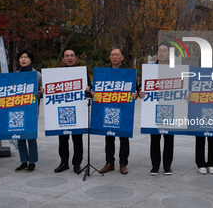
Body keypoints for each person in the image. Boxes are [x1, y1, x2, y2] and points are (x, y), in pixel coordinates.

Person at [97, 46, 138, 175]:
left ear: (122, 57)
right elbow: (98, 88)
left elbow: (135, 89)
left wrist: (135, 95)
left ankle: (123, 163)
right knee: (109, 136)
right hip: (109, 108)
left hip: (124, 109)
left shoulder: (129, 72)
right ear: (110, 57)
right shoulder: (104, 72)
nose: (115, 57)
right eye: (113, 55)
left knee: (123, 138)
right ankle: (109, 162)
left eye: (117, 54)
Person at [139, 42, 174, 176]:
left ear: (169, 53)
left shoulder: (175, 68)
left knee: (169, 138)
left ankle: (167, 166)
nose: (162, 53)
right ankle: (155, 165)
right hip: (153, 106)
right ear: (157, 53)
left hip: (170, 106)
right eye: (160, 50)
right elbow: (141, 86)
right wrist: (140, 91)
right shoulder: (150, 69)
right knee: (155, 138)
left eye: (165, 50)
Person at [54, 47, 91, 174]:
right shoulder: (57, 73)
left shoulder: (82, 72)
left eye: (72, 55)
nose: (69, 58)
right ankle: (64, 162)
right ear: (63, 59)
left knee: (77, 139)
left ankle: (77, 164)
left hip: (78, 109)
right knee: (62, 139)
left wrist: (88, 90)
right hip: (63, 110)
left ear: (76, 58)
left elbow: (89, 88)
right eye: (67, 56)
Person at [14, 49, 43, 173]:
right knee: (19, 136)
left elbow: (42, 92)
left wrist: (39, 94)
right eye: (21, 57)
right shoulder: (14, 75)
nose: (23, 59)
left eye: (26, 57)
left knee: (31, 137)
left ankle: (32, 162)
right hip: (18, 109)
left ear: (31, 60)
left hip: (31, 110)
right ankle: (23, 162)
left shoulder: (37, 75)